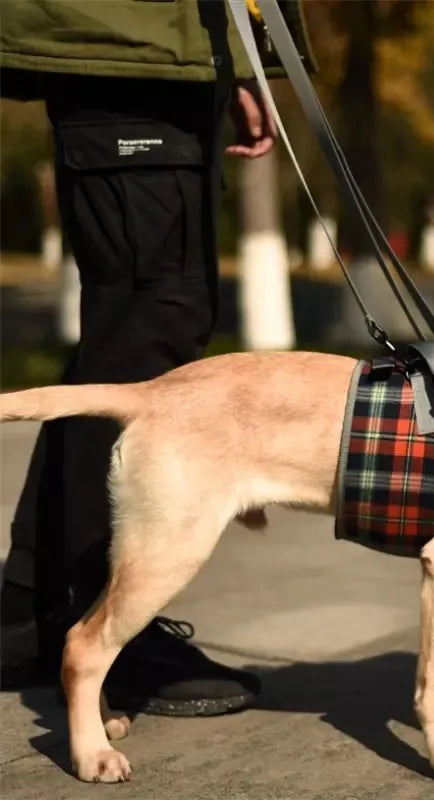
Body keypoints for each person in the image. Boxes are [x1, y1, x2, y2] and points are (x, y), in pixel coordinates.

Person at [0, 0, 314, 716]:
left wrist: (224, 60)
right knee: (146, 333)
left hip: (155, 51)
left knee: (135, 332)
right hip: (120, 41)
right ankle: (106, 626)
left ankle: (32, 607)